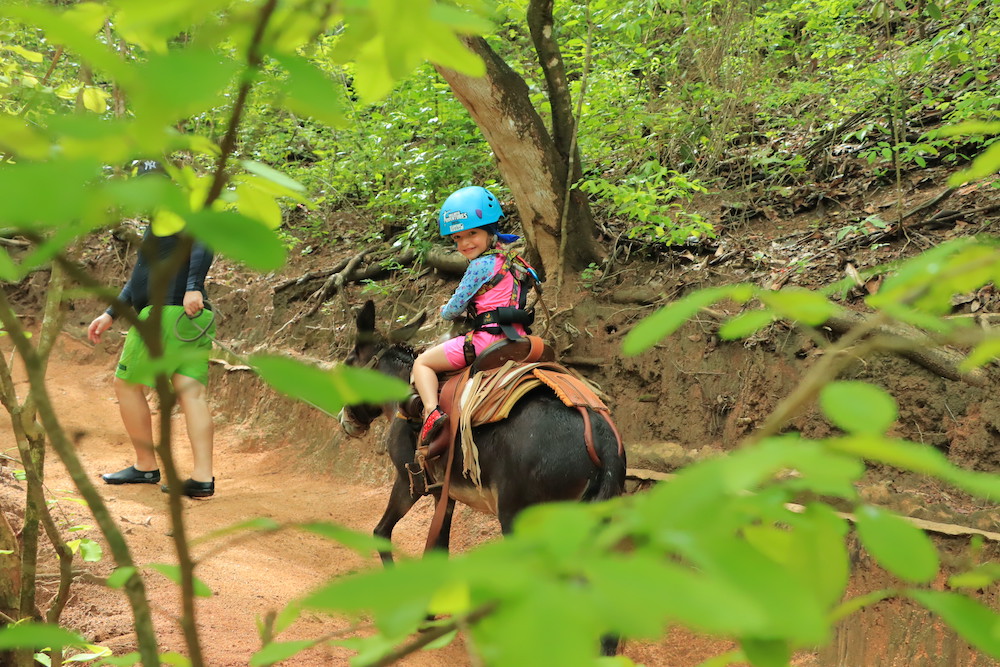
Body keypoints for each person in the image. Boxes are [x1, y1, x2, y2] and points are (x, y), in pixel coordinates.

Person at [87, 159, 217, 498]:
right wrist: (111, 313)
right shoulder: (159, 222)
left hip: (165, 314)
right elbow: (139, 277)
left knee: (127, 385)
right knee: (191, 392)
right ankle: (202, 478)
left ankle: (145, 465)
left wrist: (193, 286)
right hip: (192, 319)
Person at [412, 186, 539, 447]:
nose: (465, 243)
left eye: (472, 234)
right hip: (519, 339)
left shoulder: (480, 266)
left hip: (486, 342)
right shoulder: (515, 260)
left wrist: (445, 310)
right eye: (457, 238)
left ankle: (431, 412)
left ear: (490, 231)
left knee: (422, 363)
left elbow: (453, 309)